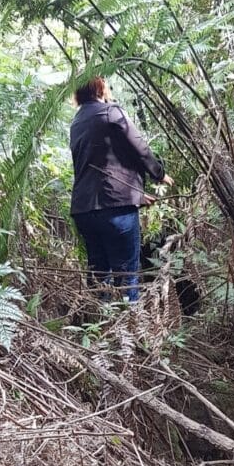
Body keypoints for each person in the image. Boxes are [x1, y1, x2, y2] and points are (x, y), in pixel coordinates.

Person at [69, 76, 173, 303]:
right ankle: (130, 331)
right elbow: (139, 147)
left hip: (84, 210)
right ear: (99, 87)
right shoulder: (111, 113)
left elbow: (98, 167)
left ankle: (102, 330)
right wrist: (159, 174)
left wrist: (134, 194)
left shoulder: (76, 122)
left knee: (99, 275)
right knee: (126, 274)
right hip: (116, 209)